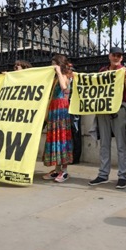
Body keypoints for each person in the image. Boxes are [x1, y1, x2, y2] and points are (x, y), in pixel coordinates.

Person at [88, 46, 126, 189]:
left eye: (119, 55)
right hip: (104, 110)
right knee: (104, 144)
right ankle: (103, 174)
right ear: (109, 56)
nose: (116, 57)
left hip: (119, 109)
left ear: (122, 58)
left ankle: (122, 176)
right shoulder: (102, 71)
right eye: (114, 54)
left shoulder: (125, 71)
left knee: (121, 144)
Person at [41, 54, 73, 183]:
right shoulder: (53, 77)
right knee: (55, 137)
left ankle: (64, 171)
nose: (52, 66)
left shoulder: (65, 75)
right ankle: (57, 168)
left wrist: (59, 72)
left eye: (54, 63)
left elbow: (64, 87)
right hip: (54, 108)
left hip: (62, 108)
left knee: (62, 137)